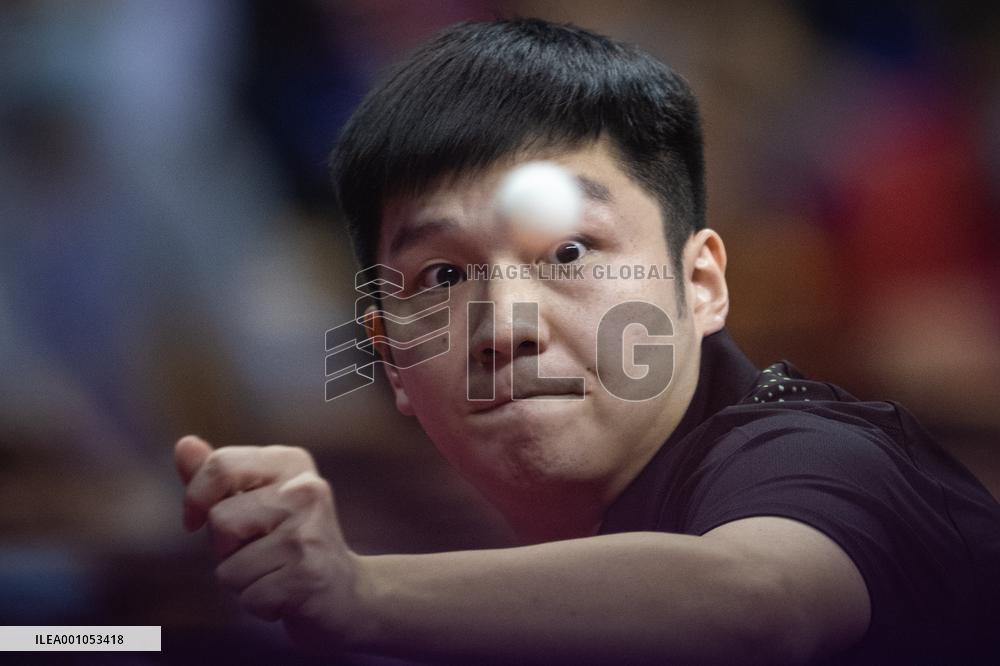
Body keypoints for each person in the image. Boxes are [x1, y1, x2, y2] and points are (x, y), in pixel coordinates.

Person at [174, 18, 1000, 665]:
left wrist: (361, 590)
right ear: (388, 353)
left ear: (702, 284)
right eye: (442, 278)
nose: (504, 325)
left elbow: (759, 601)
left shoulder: (817, 455)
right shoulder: (529, 577)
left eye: (568, 253)